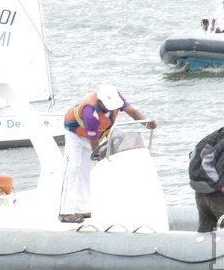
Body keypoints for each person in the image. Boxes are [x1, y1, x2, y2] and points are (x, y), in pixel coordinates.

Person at [59, 84, 156, 223]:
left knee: (86, 171)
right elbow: (94, 142)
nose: (113, 109)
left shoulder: (116, 96)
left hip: (93, 136)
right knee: (73, 168)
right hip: (75, 134)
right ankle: (65, 212)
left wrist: (147, 123)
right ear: (100, 102)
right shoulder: (89, 112)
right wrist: (99, 157)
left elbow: (133, 112)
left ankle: (82, 208)